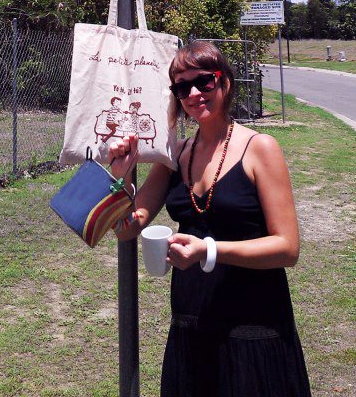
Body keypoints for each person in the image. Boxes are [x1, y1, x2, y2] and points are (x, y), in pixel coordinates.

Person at [109, 39, 312, 397]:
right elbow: (127, 229)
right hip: (192, 313)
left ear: (225, 82)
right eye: (182, 87)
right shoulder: (177, 154)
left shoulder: (260, 147)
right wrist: (122, 174)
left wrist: (208, 251)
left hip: (253, 317)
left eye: (204, 81)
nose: (194, 93)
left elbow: (288, 248)